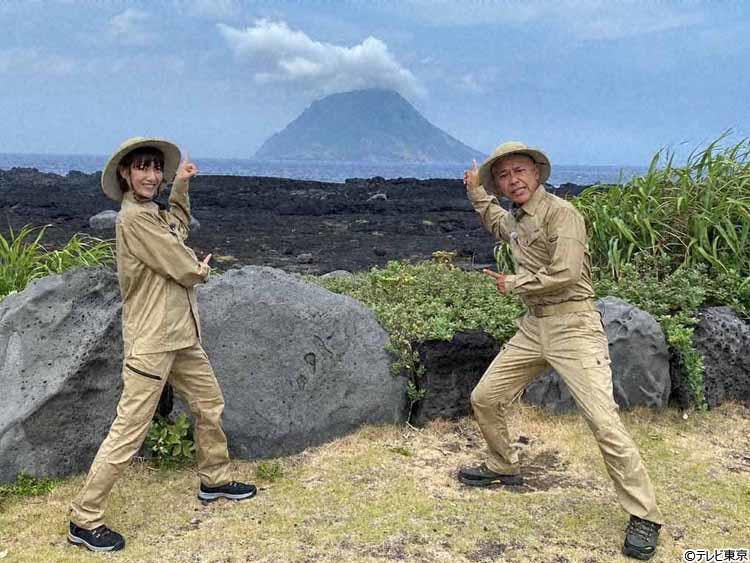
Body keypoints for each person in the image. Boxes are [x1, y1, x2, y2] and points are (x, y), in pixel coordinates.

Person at [461, 141, 663, 560]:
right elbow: (499, 223)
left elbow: (568, 273)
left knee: (604, 423)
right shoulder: (519, 217)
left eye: (519, 171)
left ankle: (645, 516)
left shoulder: (562, 213)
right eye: (503, 175)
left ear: (537, 174)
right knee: (485, 398)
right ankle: (504, 463)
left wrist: (514, 284)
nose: (512, 180)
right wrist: (476, 193)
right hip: (535, 326)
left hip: (573, 325)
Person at [68, 137, 256, 552]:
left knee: (209, 403)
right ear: (125, 173)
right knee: (129, 430)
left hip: (182, 338)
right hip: (152, 342)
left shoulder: (153, 213)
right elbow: (180, 265)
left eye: (157, 168)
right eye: (142, 168)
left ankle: (216, 479)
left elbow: (179, 226)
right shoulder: (132, 220)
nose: (152, 176)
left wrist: (183, 186)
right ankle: (84, 518)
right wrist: (201, 270)